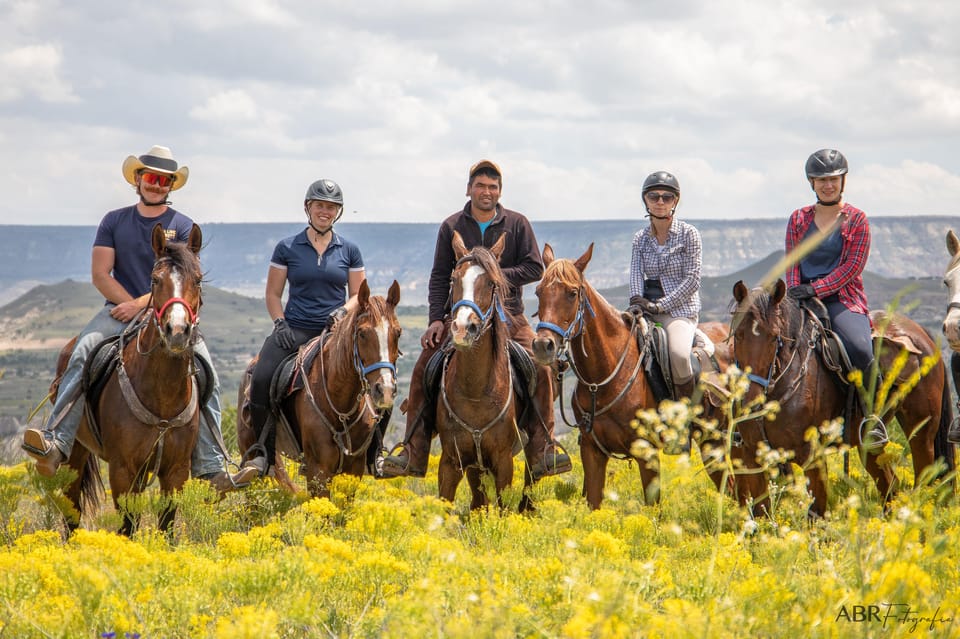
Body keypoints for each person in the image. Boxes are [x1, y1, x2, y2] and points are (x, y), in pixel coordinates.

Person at [22, 145, 252, 492]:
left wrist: (147, 306)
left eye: (164, 180)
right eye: (151, 178)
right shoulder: (114, 221)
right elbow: (101, 273)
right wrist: (131, 305)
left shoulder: (185, 227)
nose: (157, 184)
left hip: (169, 312)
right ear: (139, 180)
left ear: (171, 185)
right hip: (117, 310)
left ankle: (211, 464)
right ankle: (57, 443)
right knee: (80, 354)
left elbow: (184, 280)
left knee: (209, 375)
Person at [381, 159, 571, 480]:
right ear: (469, 189)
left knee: (540, 365)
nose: (487, 192)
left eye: (493, 187)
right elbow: (440, 276)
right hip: (461, 315)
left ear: (500, 192)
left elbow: (535, 268)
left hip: (509, 318)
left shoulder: (518, 223)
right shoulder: (451, 226)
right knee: (423, 367)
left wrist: (491, 274)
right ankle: (413, 450)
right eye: (480, 186)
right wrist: (435, 320)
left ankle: (542, 447)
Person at [239, 179, 366, 476]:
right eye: (320, 205)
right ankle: (263, 455)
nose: (325, 211)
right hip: (294, 328)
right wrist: (279, 322)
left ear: (339, 212)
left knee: (374, 378)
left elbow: (359, 295)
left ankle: (373, 455)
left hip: (335, 332)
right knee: (260, 380)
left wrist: (342, 312)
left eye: (331, 207)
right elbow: (273, 294)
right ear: (308, 207)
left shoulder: (349, 250)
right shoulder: (287, 247)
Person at [783, 148, 887, 448]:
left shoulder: (856, 218)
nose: (828, 185)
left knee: (860, 350)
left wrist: (816, 290)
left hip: (842, 299)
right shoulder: (799, 218)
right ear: (812, 183)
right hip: (800, 298)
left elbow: (852, 267)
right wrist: (795, 291)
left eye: (833, 179)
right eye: (821, 180)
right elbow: (792, 260)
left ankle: (871, 418)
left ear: (842, 181)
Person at [626, 171, 702, 400]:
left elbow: (692, 280)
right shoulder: (640, 238)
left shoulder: (689, 234)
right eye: (654, 196)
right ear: (645, 200)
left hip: (679, 311)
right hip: (645, 308)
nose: (660, 201)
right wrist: (637, 301)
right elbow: (635, 274)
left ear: (675, 201)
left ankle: (687, 411)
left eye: (667, 197)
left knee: (678, 355)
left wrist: (660, 306)